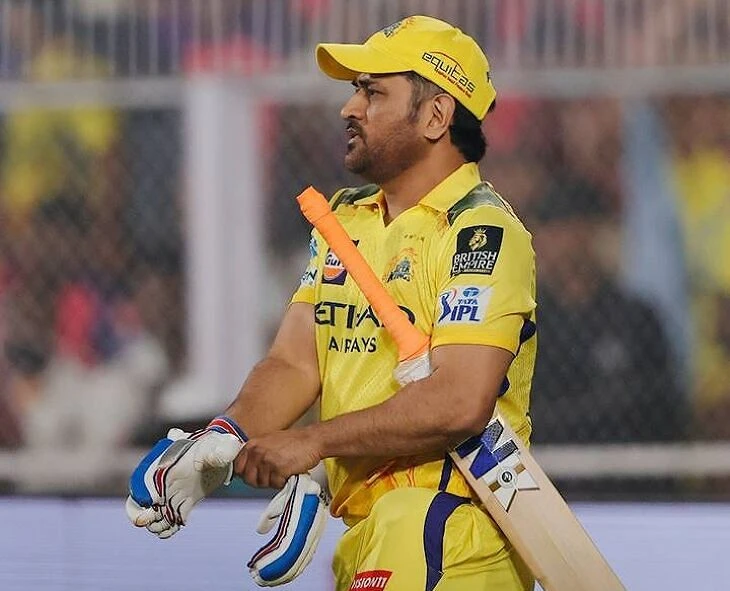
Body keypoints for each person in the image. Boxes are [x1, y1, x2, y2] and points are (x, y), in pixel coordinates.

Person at [127, 15, 537, 590]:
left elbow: (459, 401)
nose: (350, 108)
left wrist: (311, 443)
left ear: (436, 116)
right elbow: (296, 362)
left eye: (373, 92)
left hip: (447, 529)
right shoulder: (346, 219)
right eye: (355, 91)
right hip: (368, 530)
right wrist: (224, 436)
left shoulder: (479, 232)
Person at [528, 179, 684, 444]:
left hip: (629, 460)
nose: (565, 243)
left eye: (573, 229)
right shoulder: (526, 320)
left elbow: (661, 405)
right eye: (553, 232)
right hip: (544, 460)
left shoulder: (635, 317)